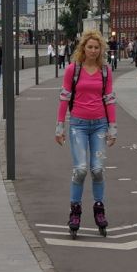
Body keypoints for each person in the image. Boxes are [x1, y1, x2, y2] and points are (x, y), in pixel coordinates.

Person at [56, 30, 117, 236]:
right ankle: (75, 210)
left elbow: (109, 99)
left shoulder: (105, 71)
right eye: (89, 47)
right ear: (83, 48)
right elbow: (64, 98)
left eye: (96, 47)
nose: (93, 50)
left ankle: (99, 209)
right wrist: (59, 127)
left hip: (99, 125)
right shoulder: (73, 70)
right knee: (81, 170)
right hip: (78, 125)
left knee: (97, 169)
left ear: (101, 49)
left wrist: (112, 128)